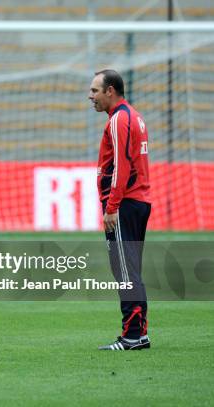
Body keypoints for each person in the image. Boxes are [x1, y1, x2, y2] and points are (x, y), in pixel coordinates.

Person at [88, 69, 151, 351]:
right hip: (135, 201)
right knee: (131, 270)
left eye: (95, 90)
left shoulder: (119, 119)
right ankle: (140, 333)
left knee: (125, 271)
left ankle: (132, 336)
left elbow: (122, 167)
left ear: (110, 90)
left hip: (124, 204)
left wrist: (111, 206)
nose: (91, 96)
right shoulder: (133, 116)